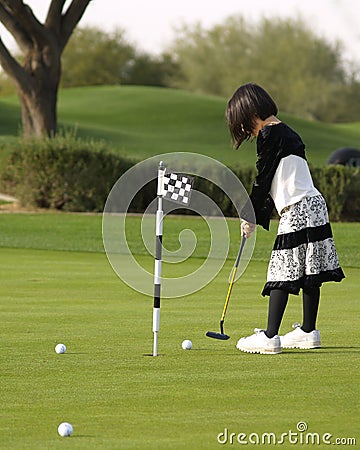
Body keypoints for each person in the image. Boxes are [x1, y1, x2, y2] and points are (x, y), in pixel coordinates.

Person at [225, 82, 345, 354]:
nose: (243, 130)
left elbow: (263, 180)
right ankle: (307, 331)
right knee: (309, 269)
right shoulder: (288, 132)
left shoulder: (267, 135)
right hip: (315, 204)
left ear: (249, 113)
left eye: (241, 122)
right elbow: (277, 180)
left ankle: (269, 337)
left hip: (298, 208)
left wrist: (250, 215)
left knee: (283, 268)